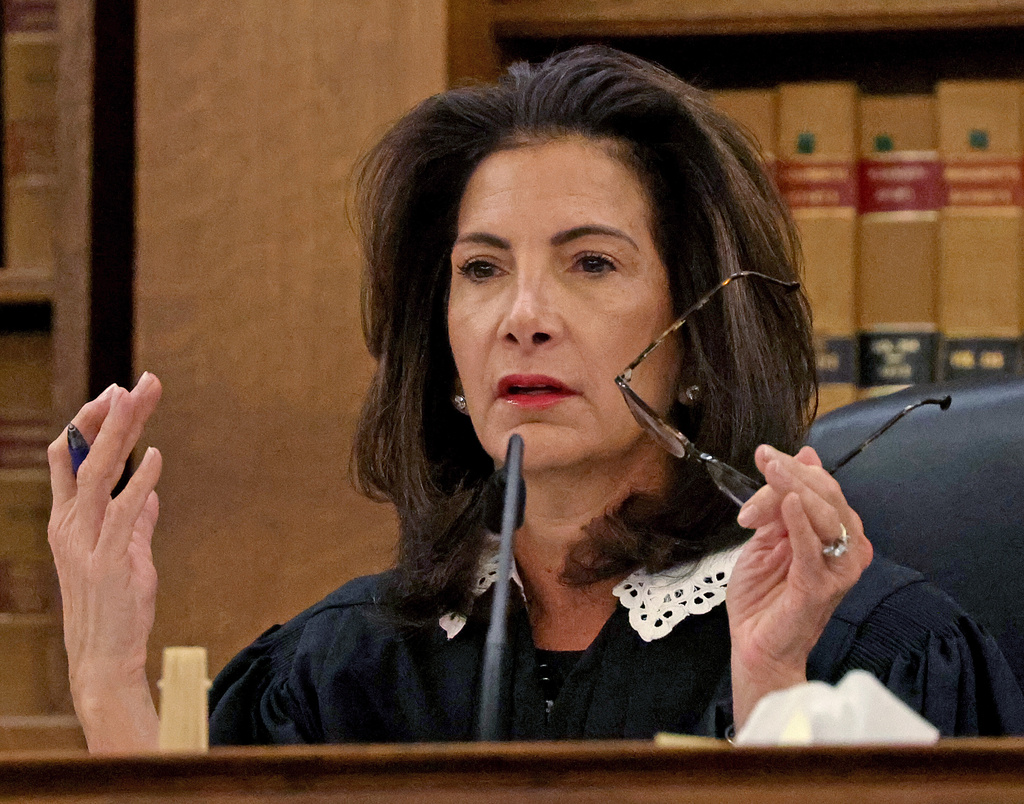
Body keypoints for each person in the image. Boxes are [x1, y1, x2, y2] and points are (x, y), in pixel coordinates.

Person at [47, 46, 1024, 751]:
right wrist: (105, 678)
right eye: (480, 269)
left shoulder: (879, 649)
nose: (523, 316)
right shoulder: (333, 673)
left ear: (695, 337)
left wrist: (772, 696)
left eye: (589, 262)